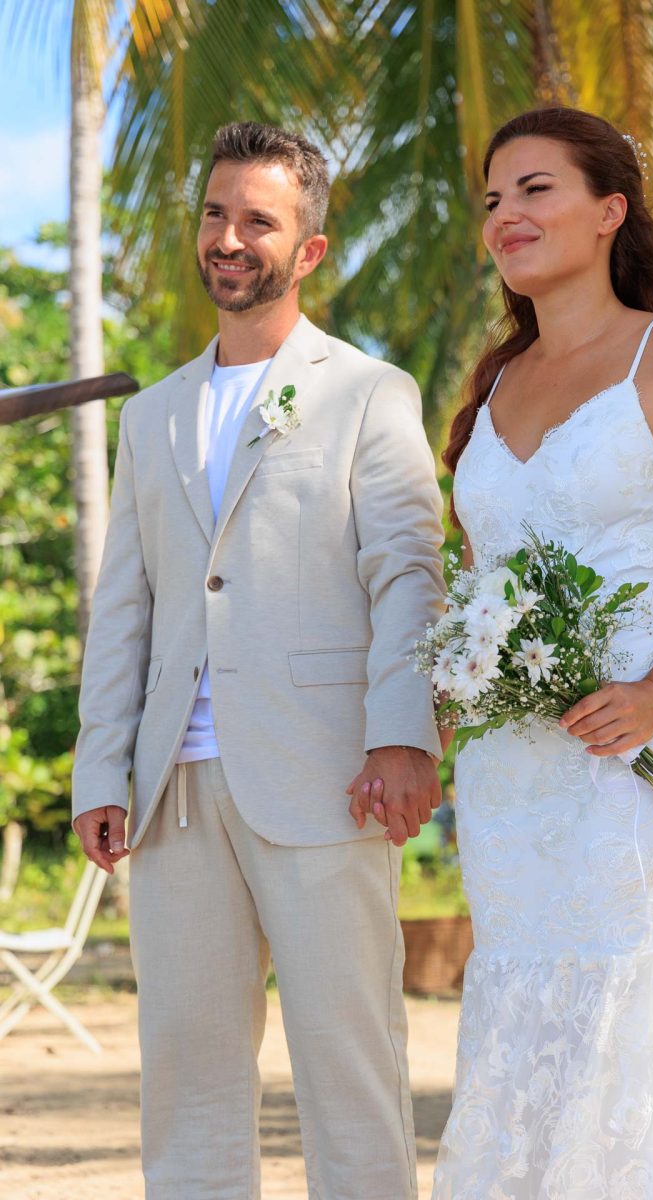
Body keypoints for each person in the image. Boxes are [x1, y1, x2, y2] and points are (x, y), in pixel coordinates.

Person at [428, 106, 653, 1198]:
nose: (505, 214)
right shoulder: (493, 384)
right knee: (526, 1013)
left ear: (608, 211)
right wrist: (445, 707)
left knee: (640, 1001)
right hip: (509, 778)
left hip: (637, 754)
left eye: (534, 189)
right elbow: (477, 585)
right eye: (492, 199)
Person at [71, 120, 446, 1200]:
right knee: (186, 1080)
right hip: (174, 791)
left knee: (349, 1064)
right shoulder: (150, 416)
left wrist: (401, 735)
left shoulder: (369, 391)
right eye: (215, 213)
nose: (228, 238)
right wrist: (101, 769)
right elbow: (125, 607)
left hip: (326, 773)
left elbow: (406, 574)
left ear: (309, 249)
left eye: (258, 221)